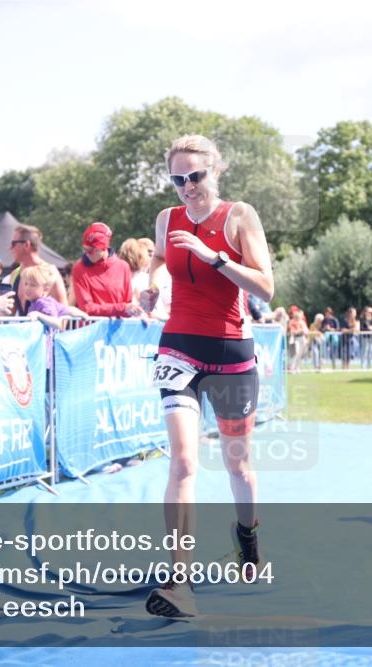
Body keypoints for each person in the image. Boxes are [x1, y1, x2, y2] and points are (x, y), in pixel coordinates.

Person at [138, 135, 273, 618]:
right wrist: (152, 286)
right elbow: (159, 258)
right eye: (177, 179)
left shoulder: (239, 216)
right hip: (179, 346)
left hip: (231, 350)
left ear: (215, 171)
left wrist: (215, 256)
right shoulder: (167, 219)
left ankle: (247, 536)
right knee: (183, 463)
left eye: (194, 176)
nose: (187, 186)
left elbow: (266, 287)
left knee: (239, 465)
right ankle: (180, 582)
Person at [72, 222, 143, 317]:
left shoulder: (123, 267)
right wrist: (122, 308)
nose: (87, 254)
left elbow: (128, 306)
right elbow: (87, 308)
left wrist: (140, 313)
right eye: (85, 249)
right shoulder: (79, 268)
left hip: (118, 325)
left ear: (104, 248)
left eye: (92, 250)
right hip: (92, 325)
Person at [6, 223, 68, 315]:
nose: (10, 248)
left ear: (26, 245)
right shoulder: (15, 274)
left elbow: (64, 314)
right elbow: (8, 313)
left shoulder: (50, 272)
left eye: (13, 244)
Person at [20, 264, 87, 325]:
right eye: (26, 284)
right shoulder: (40, 302)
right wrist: (83, 315)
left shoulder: (44, 303)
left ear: (45, 289)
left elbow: (58, 324)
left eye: (33, 285)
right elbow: (68, 309)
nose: (27, 288)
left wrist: (38, 315)